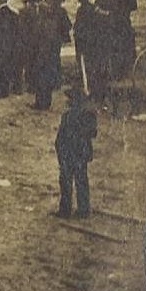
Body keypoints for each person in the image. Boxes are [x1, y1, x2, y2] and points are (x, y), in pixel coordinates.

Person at [54, 88, 97, 219]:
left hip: (70, 154)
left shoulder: (68, 116)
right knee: (81, 181)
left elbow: (60, 138)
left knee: (66, 181)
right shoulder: (88, 116)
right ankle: (83, 210)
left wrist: (60, 154)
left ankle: (66, 210)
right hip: (80, 154)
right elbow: (94, 133)